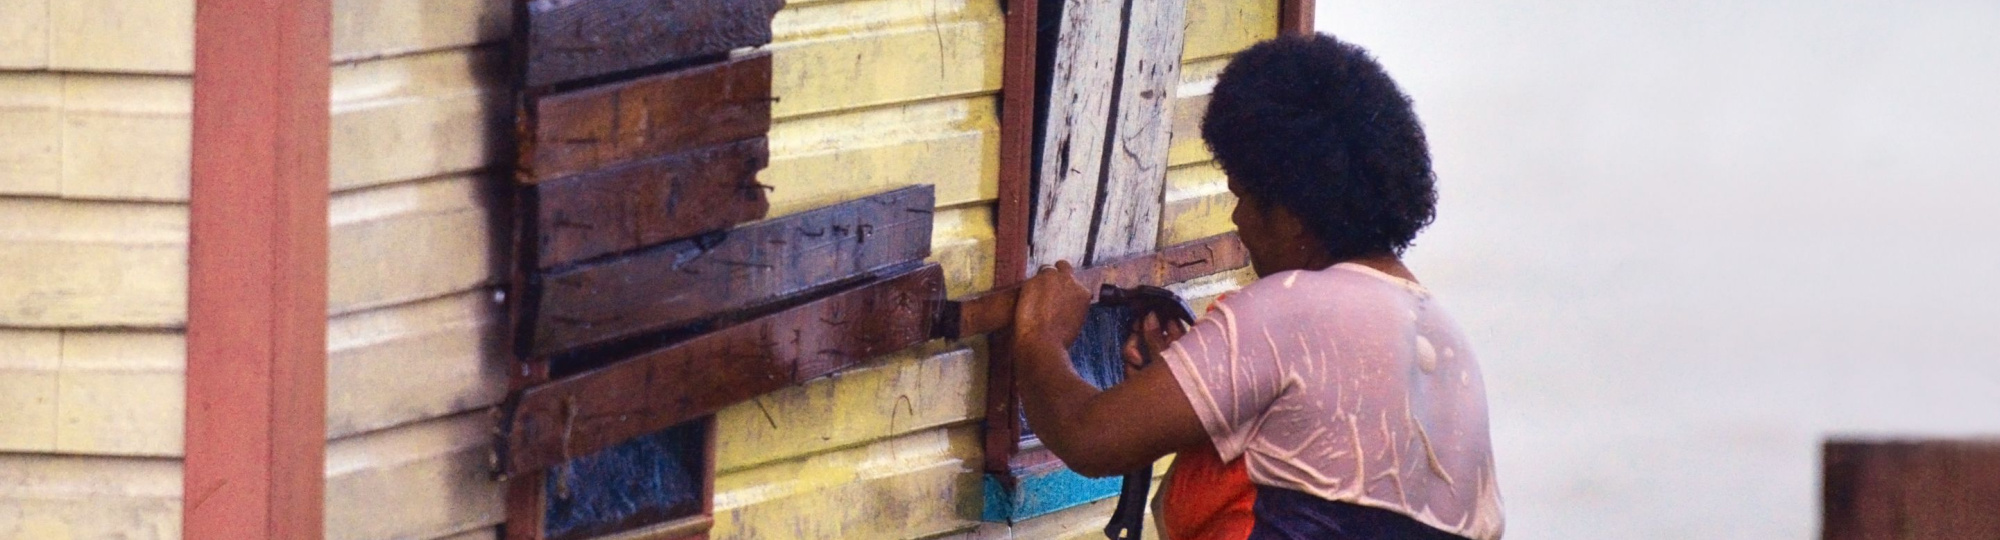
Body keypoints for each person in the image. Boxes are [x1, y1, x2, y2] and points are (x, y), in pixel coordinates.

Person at [1010, 33, 1504, 540]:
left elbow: (1090, 437)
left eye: (1244, 197)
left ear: (1290, 216)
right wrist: (1180, 381)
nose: (1238, 220)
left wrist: (1039, 337)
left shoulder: (1293, 309)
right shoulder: (1446, 340)